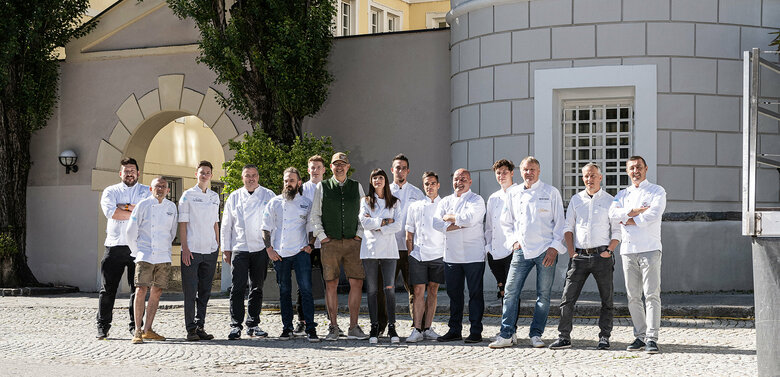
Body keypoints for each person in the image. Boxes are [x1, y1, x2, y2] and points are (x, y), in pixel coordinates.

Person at [490, 156, 565, 349]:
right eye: (525, 170)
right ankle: (506, 334)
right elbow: (505, 222)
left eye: (532, 169)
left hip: (545, 251)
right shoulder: (513, 193)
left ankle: (536, 334)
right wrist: (514, 241)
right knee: (510, 292)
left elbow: (560, 224)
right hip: (521, 251)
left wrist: (554, 248)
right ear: (520, 171)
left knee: (544, 295)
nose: (528, 173)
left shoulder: (550, 192)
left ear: (539, 171)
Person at [548, 163, 621, 350]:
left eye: (593, 176)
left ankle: (604, 337)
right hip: (579, 257)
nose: (590, 179)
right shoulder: (576, 199)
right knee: (567, 298)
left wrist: (609, 251)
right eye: (586, 176)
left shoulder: (610, 200)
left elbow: (617, 230)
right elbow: (568, 227)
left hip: (602, 256)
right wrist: (572, 252)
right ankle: (564, 337)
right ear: (583, 178)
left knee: (607, 299)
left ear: (600, 177)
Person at [608, 156, 666, 354]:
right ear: (627, 171)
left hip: (650, 248)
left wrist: (628, 219)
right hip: (628, 250)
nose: (636, 171)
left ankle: (652, 337)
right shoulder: (622, 194)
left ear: (646, 169)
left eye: (639, 167)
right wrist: (633, 211)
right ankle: (640, 336)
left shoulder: (657, 191)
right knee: (633, 297)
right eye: (632, 168)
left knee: (651, 295)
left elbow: (653, 215)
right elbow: (612, 214)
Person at [310, 152, 369, 341]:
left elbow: (364, 212)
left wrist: (359, 235)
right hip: (331, 242)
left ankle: (353, 326)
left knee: (356, 282)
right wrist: (322, 236)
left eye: (342, 164)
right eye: (336, 164)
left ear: (348, 166)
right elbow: (315, 214)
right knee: (331, 283)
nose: (340, 167)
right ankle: (333, 326)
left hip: (353, 242)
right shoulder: (323, 186)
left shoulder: (356, 186)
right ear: (331, 166)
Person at [262, 167, 320, 343]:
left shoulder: (306, 203)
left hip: (301, 252)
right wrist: (269, 249)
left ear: (299, 183)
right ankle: (286, 328)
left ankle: (310, 328)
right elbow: (265, 227)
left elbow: (313, 227)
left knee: (306, 290)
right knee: (284, 291)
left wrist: (310, 245)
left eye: (292, 181)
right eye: (286, 181)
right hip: (280, 253)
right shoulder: (274, 203)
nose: (288, 184)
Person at [96, 157, 150, 339]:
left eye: (132, 171)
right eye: (126, 171)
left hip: (137, 248)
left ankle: (135, 327)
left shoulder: (146, 191)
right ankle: (103, 326)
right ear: (120, 173)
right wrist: (133, 210)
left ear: (138, 173)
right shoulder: (110, 191)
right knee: (107, 289)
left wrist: (124, 208)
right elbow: (112, 213)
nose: (129, 174)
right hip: (114, 246)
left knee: (138, 290)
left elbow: (146, 215)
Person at [221, 164, 275, 340]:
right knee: (237, 288)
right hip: (239, 247)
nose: (251, 179)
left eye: (254, 175)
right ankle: (236, 325)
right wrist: (225, 249)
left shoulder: (269, 195)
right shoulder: (234, 197)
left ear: (258, 177)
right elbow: (226, 225)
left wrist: (272, 246)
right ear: (242, 178)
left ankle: (253, 324)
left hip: (260, 248)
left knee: (257, 287)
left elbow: (275, 222)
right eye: (247, 176)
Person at [433, 168, 486, 343]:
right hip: (451, 256)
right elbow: (435, 223)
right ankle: (454, 329)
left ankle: (476, 331)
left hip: (473, 255)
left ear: (470, 182)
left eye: (463, 179)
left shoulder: (477, 200)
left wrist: (448, 219)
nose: (459, 182)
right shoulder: (445, 201)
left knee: (475, 295)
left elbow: (470, 220)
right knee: (454, 295)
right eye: (456, 179)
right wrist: (459, 222)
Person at [376, 154, 425, 335]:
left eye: (403, 168)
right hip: (388, 247)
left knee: (414, 287)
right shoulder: (383, 191)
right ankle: (382, 325)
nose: (400, 171)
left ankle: (417, 326)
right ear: (392, 170)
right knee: (385, 288)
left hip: (410, 248)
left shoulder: (416, 193)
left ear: (408, 171)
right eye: (397, 167)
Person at [126, 177, 178, 344]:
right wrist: (137, 252)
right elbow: (131, 231)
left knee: (157, 292)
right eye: (157, 186)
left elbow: (172, 232)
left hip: (163, 256)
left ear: (168, 190)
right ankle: (137, 330)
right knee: (141, 290)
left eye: (163, 187)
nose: (160, 189)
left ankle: (148, 329)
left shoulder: (171, 207)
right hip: (145, 254)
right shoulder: (143, 205)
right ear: (150, 189)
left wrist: (166, 249)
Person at [359, 168, 403, 344]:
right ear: (371, 181)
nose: (378, 180)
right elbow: (364, 222)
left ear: (385, 180)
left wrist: (376, 225)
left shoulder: (395, 202)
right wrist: (385, 221)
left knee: (389, 289)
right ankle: (374, 326)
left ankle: (392, 327)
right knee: (371, 290)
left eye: (381, 178)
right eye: (374, 178)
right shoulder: (365, 201)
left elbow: (398, 225)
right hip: (369, 250)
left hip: (389, 250)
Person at [178, 160, 221, 341]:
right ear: (196, 174)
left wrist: (217, 243)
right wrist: (185, 248)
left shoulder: (214, 197)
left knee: (205, 291)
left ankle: (200, 325)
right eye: (201, 172)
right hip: (192, 250)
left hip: (209, 250)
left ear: (211, 175)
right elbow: (183, 224)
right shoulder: (187, 196)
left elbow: (215, 222)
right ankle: (190, 329)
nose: (204, 175)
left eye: (208, 172)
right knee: (190, 290)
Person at [404, 171, 445, 343]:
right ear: (424, 186)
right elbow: (409, 232)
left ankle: (428, 328)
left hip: (439, 254)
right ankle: (417, 329)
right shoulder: (415, 206)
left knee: (433, 291)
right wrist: (411, 253)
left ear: (438, 185)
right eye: (427, 184)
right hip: (419, 255)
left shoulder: (445, 204)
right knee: (418, 291)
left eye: (433, 183)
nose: (430, 187)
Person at [294, 155, 328, 336]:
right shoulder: (301, 189)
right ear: (308, 170)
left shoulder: (329, 188)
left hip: (324, 242)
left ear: (324, 170)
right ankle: (302, 320)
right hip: (304, 242)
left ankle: (333, 322)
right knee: (303, 282)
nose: (315, 170)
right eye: (312, 167)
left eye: (318, 167)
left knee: (330, 281)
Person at [484, 159, 517, 302]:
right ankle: (506, 322)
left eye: (505, 172)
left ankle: (509, 324)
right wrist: (488, 249)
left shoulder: (518, 193)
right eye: (498, 173)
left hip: (512, 251)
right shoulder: (493, 198)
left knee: (512, 291)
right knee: (502, 289)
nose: (501, 175)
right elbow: (489, 227)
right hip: (495, 252)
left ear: (512, 173)